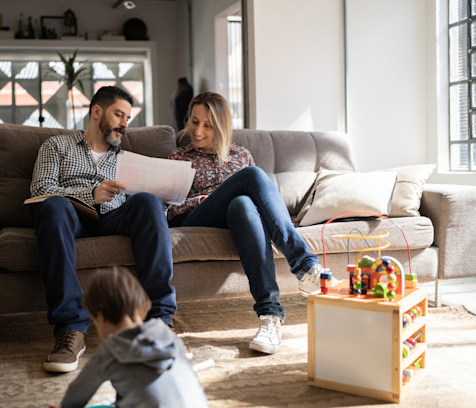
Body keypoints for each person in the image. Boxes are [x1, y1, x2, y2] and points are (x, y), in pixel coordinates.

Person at [167, 92, 329, 355]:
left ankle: (269, 317)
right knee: (251, 176)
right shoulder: (178, 157)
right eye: (194, 122)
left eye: (207, 125)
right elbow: (168, 208)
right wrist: (208, 198)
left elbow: (260, 204)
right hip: (197, 217)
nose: (197, 131)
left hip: (235, 220)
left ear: (221, 127)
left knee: (242, 203)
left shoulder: (240, 154)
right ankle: (304, 264)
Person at [31, 86, 177, 373]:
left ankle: (160, 320)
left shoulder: (127, 159)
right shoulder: (57, 145)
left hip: (114, 218)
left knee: (148, 201)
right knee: (52, 206)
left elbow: (146, 207)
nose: (125, 124)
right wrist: (90, 194)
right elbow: (38, 190)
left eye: (128, 118)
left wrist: (163, 196)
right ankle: (70, 329)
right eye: (119, 115)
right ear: (96, 111)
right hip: (71, 216)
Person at [51, 266, 208, 408]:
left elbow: (78, 393)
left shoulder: (110, 350)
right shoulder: (167, 333)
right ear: (141, 307)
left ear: (100, 317)